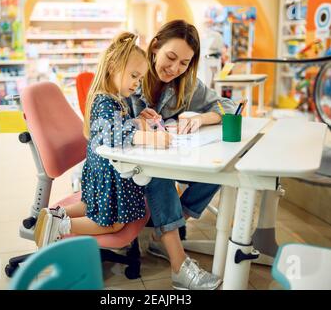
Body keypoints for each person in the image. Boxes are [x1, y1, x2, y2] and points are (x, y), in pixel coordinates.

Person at [125, 20, 237, 290]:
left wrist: (201, 118)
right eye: (171, 57)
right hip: (127, 167)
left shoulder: (185, 84)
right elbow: (103, 123)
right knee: (158, 174)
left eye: (184, 63)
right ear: (155, 47)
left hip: (163, 157)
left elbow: (229, 106)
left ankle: (164, 232)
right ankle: (179, 265)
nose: (175, 69)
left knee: (218, 169)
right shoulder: (129, 74)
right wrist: (138, 123)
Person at [34, 32, 172, 248]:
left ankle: (53, 214)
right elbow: (114, 135)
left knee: (89, 206)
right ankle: (60, 226)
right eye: (134, 76)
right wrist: (151, 138)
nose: (137, 83)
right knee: (113, 225)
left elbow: (111, 128)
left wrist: (136, 121)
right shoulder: (106, 101)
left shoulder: (111, 97)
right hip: (108, 176)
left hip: (100, 172)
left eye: (140, 78)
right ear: (113, 68)